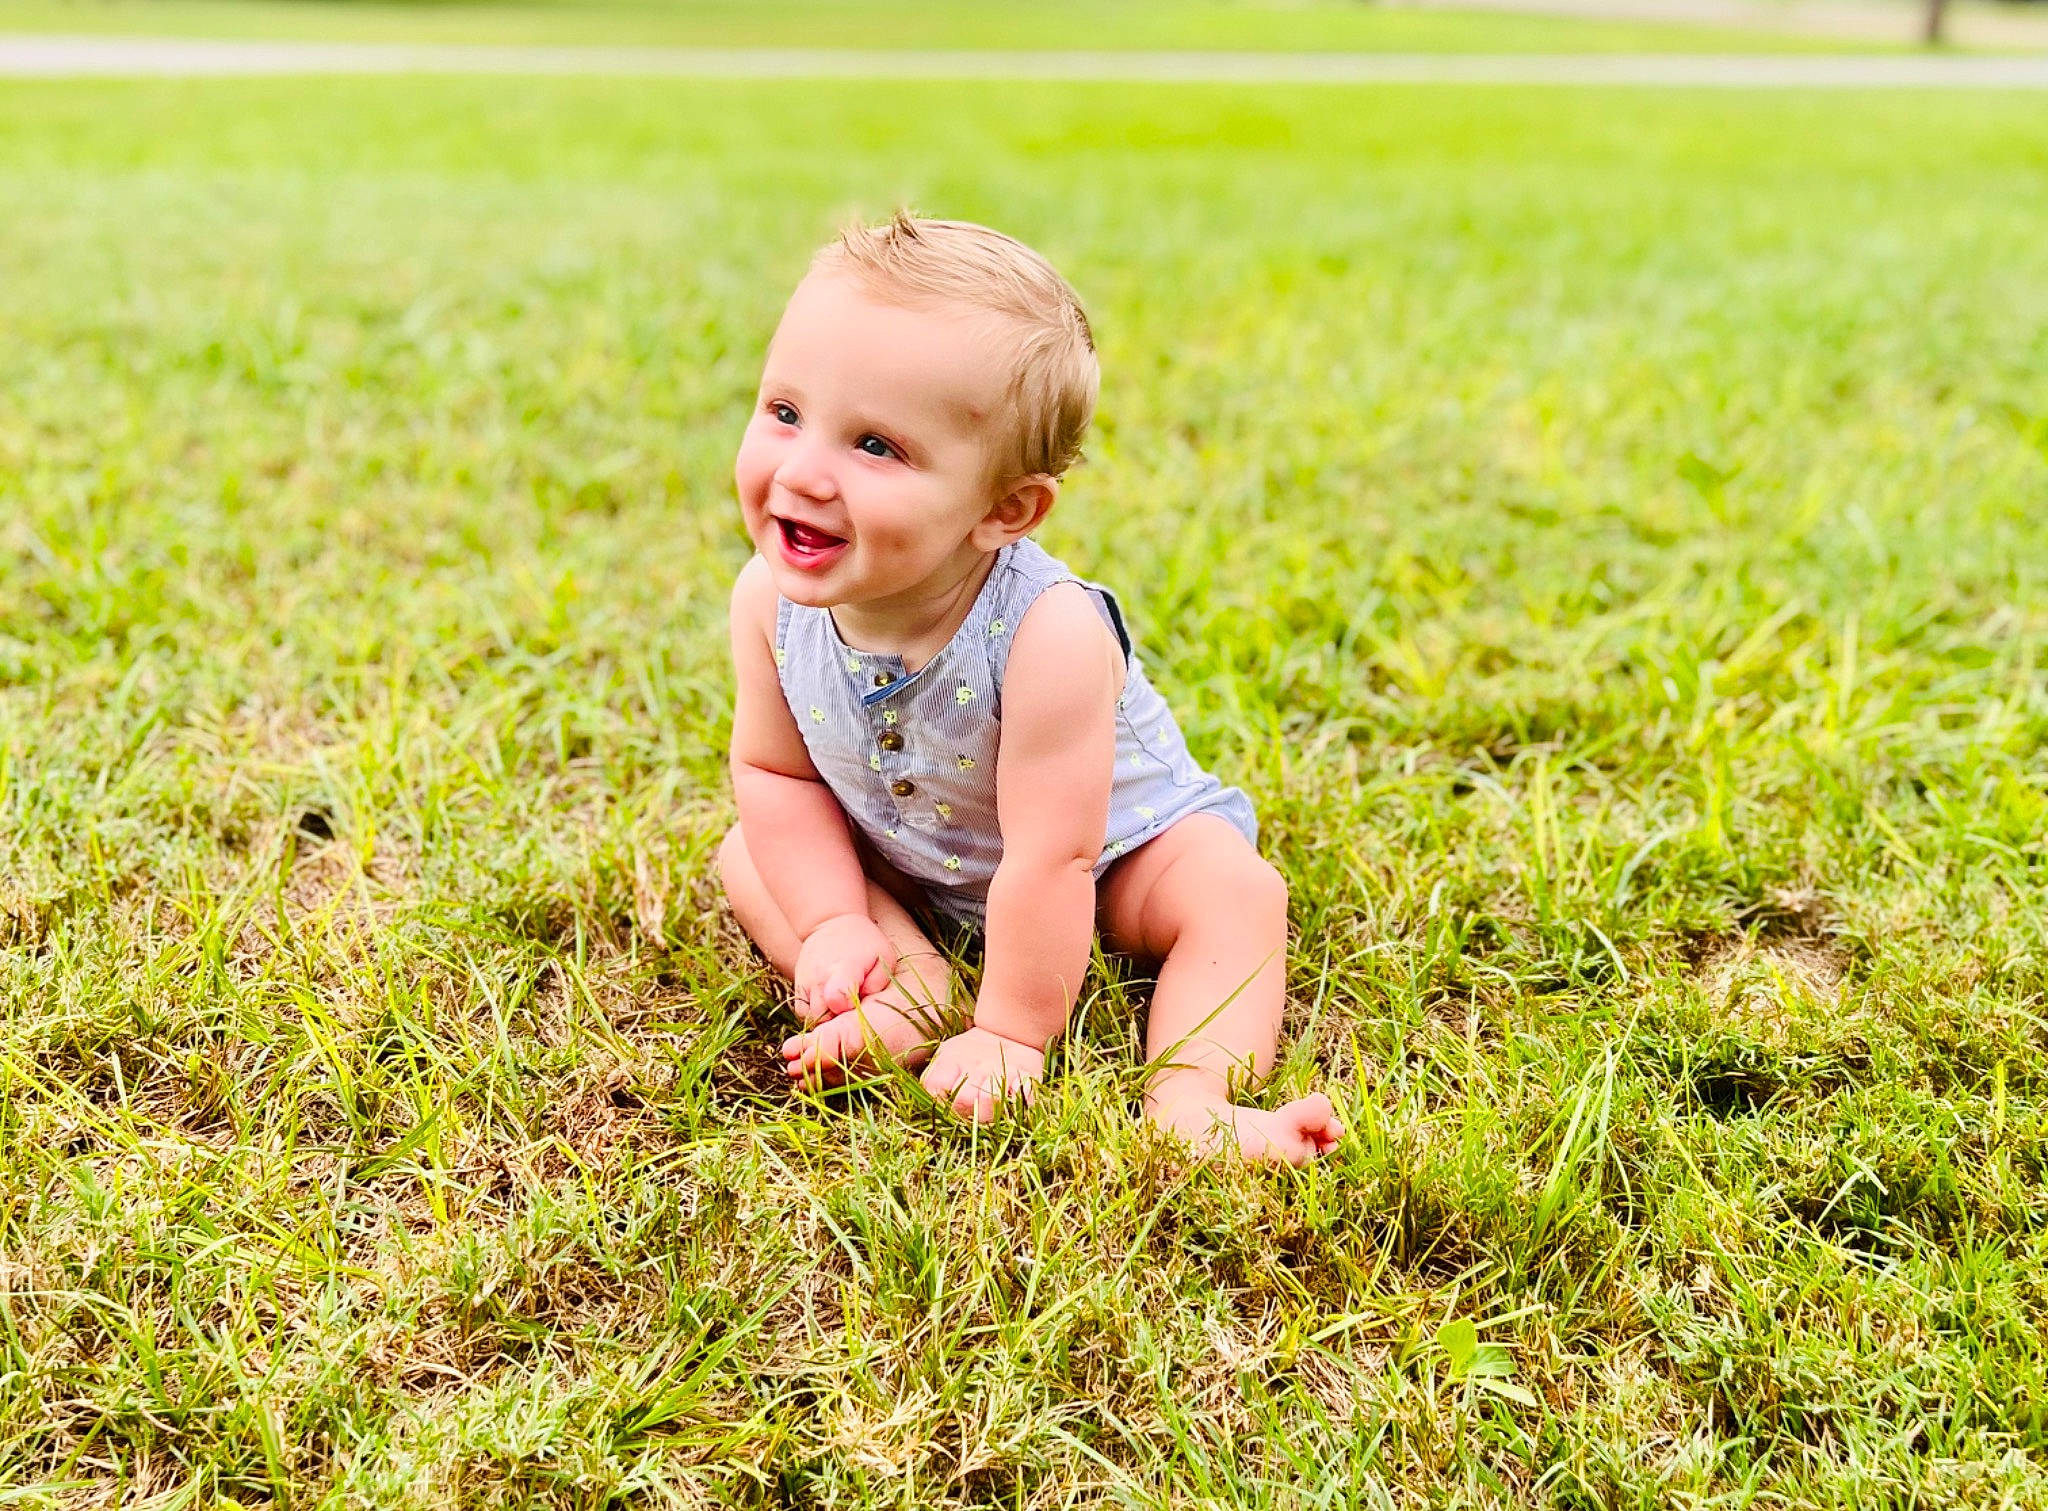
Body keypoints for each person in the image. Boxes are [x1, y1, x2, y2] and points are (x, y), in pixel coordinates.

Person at [716, 214, 1343, 1165]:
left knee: (1235, 892)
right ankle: (911, 983)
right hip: (910, 849)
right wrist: (836, 918)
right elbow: (777, 776)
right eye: (786, 413)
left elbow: (1056, 856)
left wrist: (1014, 1031)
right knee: (749, 853)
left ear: (1005, 511)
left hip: (1110, 861)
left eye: (876, 446)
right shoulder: (768, 602)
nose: (804, 471)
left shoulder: (1049, 634)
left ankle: (1193, 1095)